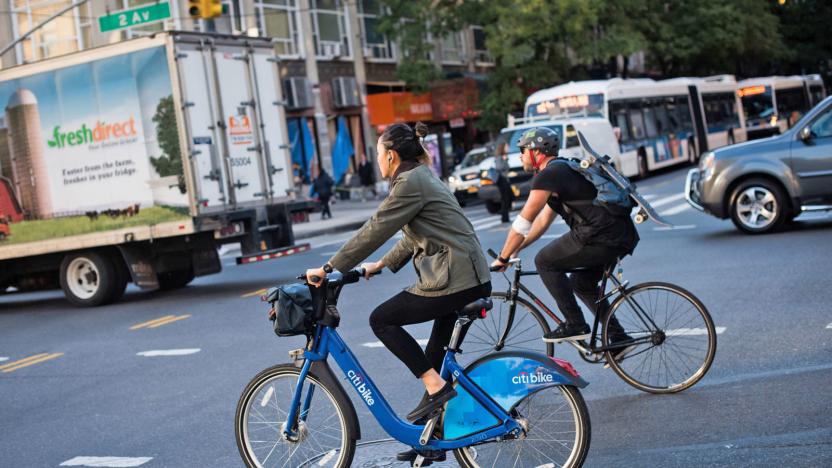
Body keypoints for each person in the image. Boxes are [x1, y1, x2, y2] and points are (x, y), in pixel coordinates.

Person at [306, 122, 491, 459]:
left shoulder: (408, 183)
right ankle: (430, 441)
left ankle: (436, 389)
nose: (377, 160)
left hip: (456, 278)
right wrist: (381, 264)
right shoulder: (422, 175)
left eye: (378, 154)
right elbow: (415, 233)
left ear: (390, 155)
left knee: (383, 320)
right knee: (434, 355)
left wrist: (330, 268)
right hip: (469, 275)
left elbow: (375, 229)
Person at [491, 127, 639, 354]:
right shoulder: (561, 169)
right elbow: (541, 223)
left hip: (600, 235)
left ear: (536, 151)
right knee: (582, 283)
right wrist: (514, 250)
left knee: (544, 261)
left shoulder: (548, 175)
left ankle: (575, 324)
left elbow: (524, 222)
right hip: (620, 234)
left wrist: (502, 257)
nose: (520, 156)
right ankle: (618, 336)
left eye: (522, 150)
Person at [495, 142, 513, 223]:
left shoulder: (504, 157)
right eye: (506, 146)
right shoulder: (499, 157)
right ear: (502, 148)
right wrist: (505, 160)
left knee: (508, 197)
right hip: (501, 179)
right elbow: (499, 167)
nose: (508, 148)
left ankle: (504, 215)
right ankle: (504, 216)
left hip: (505, 179)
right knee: (505, 198)